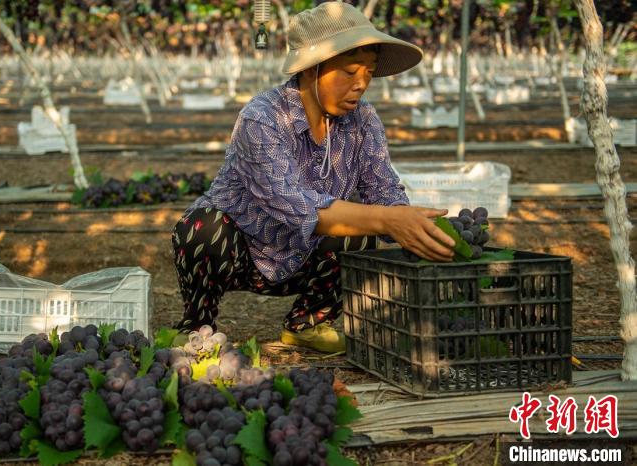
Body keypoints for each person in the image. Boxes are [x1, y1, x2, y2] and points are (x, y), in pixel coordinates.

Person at [171, 1, 455, 352]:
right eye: (350, 72)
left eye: (369, 71)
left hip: (309, 259)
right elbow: (294, 206)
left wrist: (417, 225)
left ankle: (308, 323)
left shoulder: (363, 122)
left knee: (363, 229)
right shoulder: (262, 118)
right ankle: (197, 329)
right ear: (310, 70)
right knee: (202, 229)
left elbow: (384, 190)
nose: (362, 84)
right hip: (244, 252)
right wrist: (389, 219)